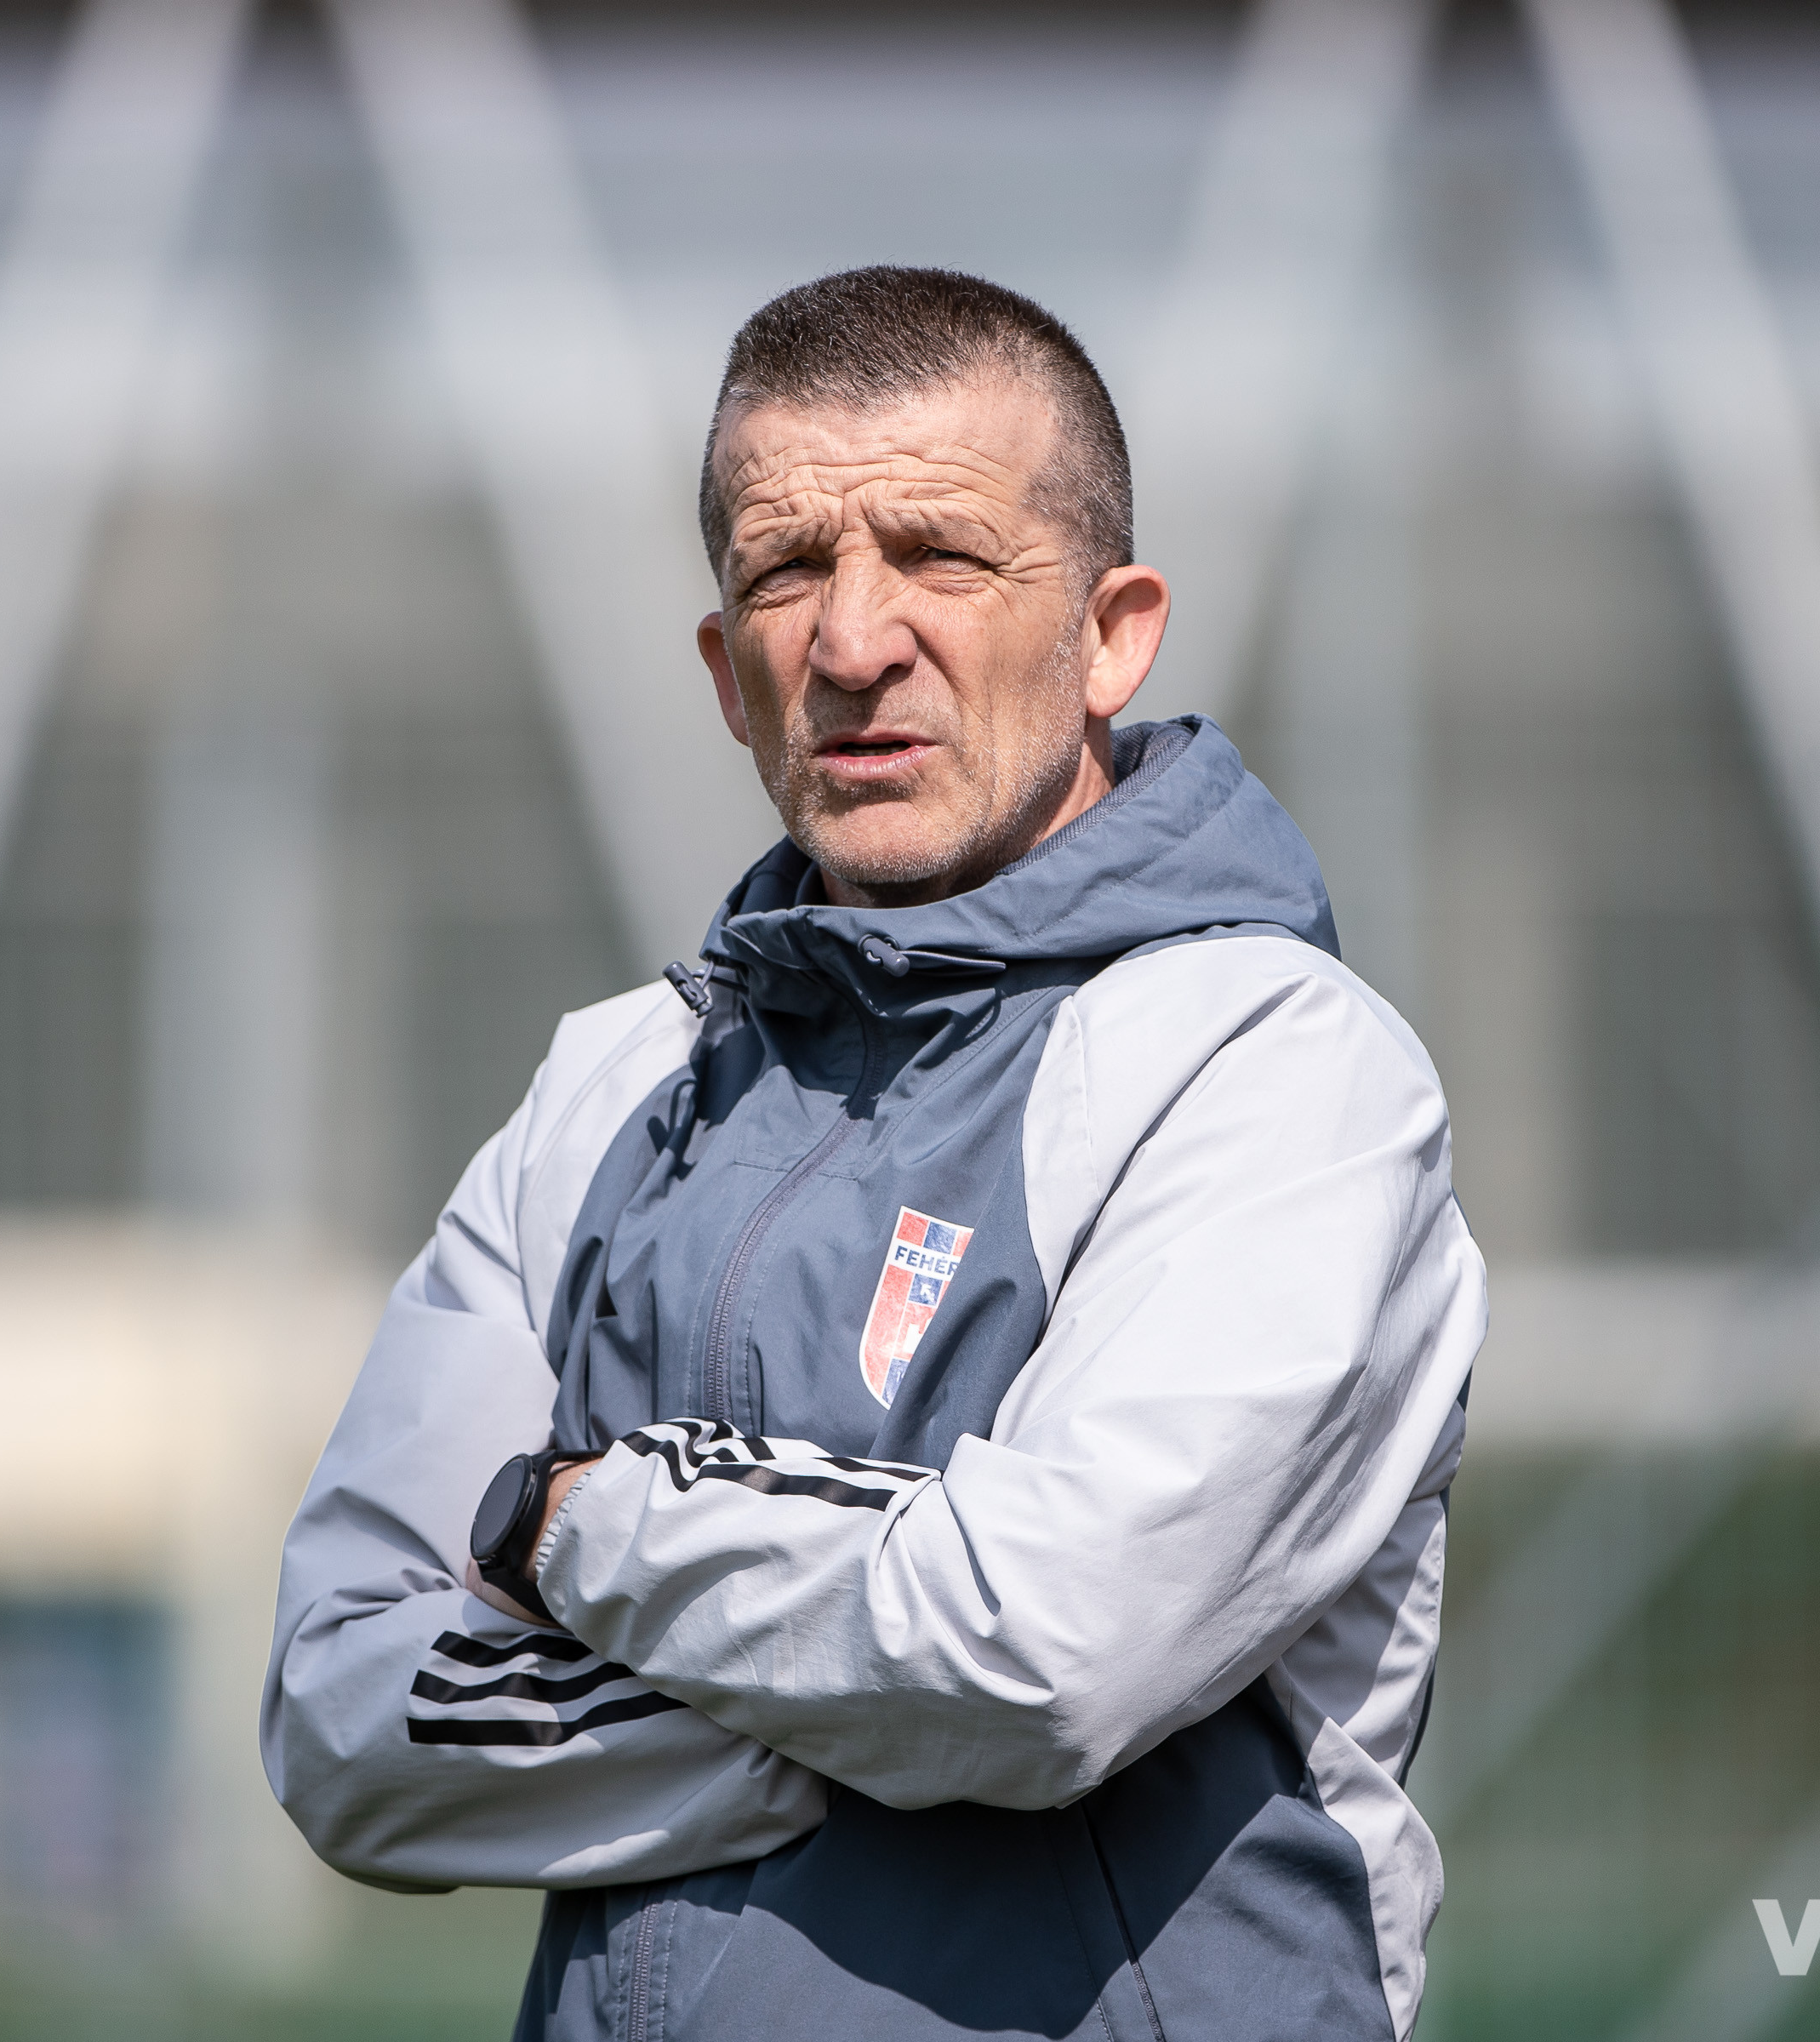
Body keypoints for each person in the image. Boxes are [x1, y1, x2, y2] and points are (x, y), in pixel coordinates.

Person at [263, 266, 1486, 2042]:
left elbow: (1041, 1659)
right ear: (724, 672)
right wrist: (864, 1705)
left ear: (1113, 634)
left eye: (939, 556)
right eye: (785, 571)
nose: (851, 643)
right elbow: (340, 1721)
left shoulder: (1273, 1067)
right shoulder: (608, 1084)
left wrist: (572, 1520)